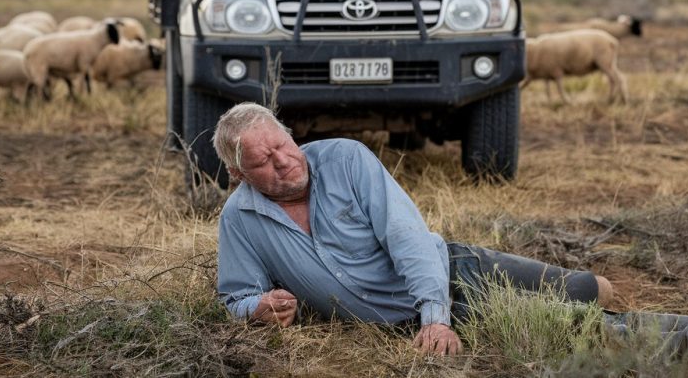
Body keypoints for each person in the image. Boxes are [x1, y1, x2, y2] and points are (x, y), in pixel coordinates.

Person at [213, 102, 613, 356]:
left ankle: (597, 287)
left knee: (589, 290)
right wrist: (259, 307)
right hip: (411, 317)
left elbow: (407, 238)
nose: (284, 161)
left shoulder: (347, 159)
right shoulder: (239, 219)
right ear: (238, 173)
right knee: (577, 325)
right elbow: (237, 296)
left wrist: (435, 317)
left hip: (452, 269)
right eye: (264, 159)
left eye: (283, 144)